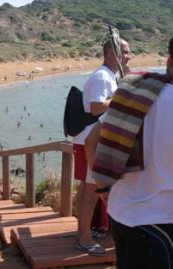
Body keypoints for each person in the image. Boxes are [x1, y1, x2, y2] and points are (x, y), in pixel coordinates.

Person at [85, 27, 173, 269]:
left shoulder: (134, 96)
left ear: (169, 60)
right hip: (163, 225)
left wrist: (103, 190)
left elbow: (91, 142)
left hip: (120, 214)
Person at [74, 37, 131, 256]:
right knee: (90, 191)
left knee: (88, 190)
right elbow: (96, 107)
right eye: (124, 52)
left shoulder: (110, 76)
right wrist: (118, 96)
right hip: (91, 143)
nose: (129, 55)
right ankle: (85, 239)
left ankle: (83, 232)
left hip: (91, 141)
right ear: (111, 53)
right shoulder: (101, 77)